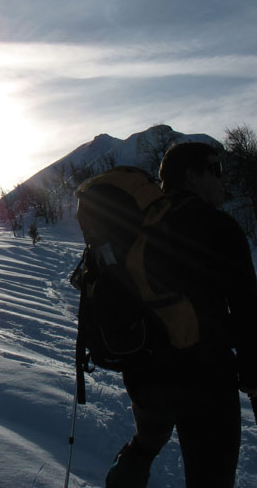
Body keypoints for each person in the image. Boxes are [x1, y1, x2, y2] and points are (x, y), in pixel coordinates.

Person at [106, 142, 257, 487]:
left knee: (144, 447)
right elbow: (249, 311)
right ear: (191, 175)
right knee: (211, 477)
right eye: (215, 169)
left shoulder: (139, 226)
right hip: (204, 375)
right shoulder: (219, 227)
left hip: (146, 373)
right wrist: (253, 380)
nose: (224, 178)